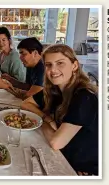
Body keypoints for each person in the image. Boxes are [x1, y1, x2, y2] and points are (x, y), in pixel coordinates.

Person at [21, 44, 98, 175]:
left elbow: (56, 142)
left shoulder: (84, 97)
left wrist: (42, 122)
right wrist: (47, 118)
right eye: (48, 65)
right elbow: (26, 104)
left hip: (82, 170)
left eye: (60, 63)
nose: (53, 70)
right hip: (63, 157)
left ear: (74, 66)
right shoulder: (55, 91)